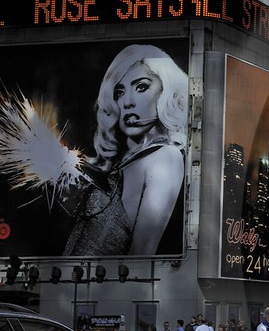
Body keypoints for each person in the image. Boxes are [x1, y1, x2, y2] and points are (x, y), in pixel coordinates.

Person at [64, 45, 188, 256]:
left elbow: (141, 255)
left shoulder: (166, 158)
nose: (128, 102)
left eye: (141, 87)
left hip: (109, 278)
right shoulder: (127, 160)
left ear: (166, 90)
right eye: (119, 92)